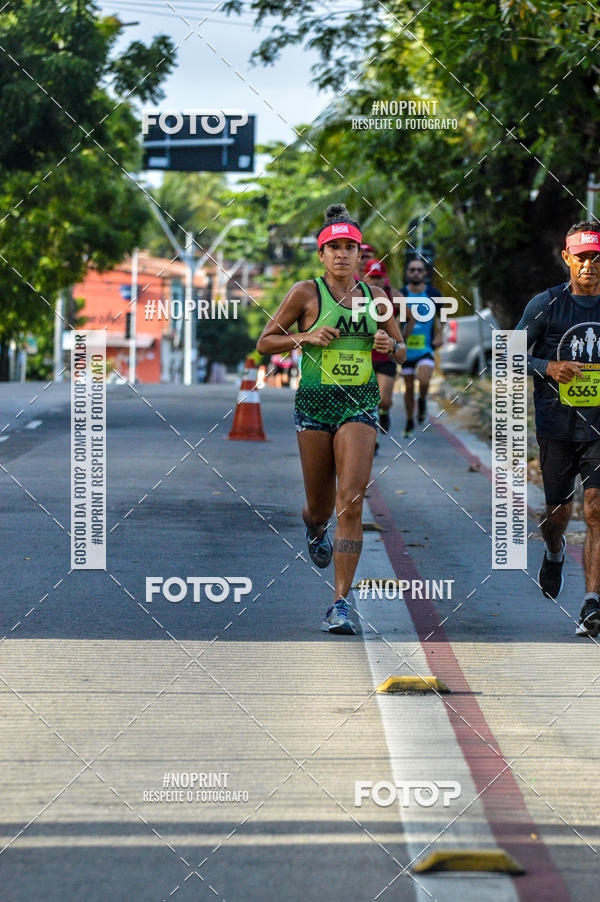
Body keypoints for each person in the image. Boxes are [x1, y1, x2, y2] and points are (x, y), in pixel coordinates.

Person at [256, 204, 406, 634]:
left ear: (361, 255)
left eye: (349, 247)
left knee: (352, 501)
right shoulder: (306, 293)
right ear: (321, 255)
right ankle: (313, 525)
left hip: (358, 401)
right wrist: (305, 335)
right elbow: (265, 341)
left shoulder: (377, 299)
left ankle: (340, 602)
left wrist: (386, 343)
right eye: (333, 247)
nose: (342, 254)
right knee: (320, 506)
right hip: (314, 403)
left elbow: (401, 351)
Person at [515, 221, 600, 637]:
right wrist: (547, 366)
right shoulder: (546, 304)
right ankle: (554, 550)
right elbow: (508, 354)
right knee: (558, 514)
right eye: (581, 256)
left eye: (596, 256)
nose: (589, 264)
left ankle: (591, 602)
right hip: (557, 426)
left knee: (597, 510)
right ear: (566, 258)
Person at [363, 258, 413, 440]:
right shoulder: (357, 295)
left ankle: (384, 413)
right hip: (365, 356)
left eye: (378, 277)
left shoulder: (394, 295)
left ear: (385, 278)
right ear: (365, 277)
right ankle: (371, 439)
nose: (375, 281)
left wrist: (401, 339)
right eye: (372, 277)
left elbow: (410, 316)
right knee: (367, 402)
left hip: (387, 356)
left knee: (384, 400)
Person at [400, 258, 443, 436]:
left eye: (419, 270)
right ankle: (410, 420)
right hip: (406, 350)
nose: (416, 273)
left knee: (424, 380)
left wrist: (440, 335)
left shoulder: (433, 294)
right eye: (412, 270)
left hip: (426, 348)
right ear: (408, 273)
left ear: (425, 273)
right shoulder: (401, 294)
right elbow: (393, 320)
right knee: (408, 387)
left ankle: (423, 399)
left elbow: (443, 318)